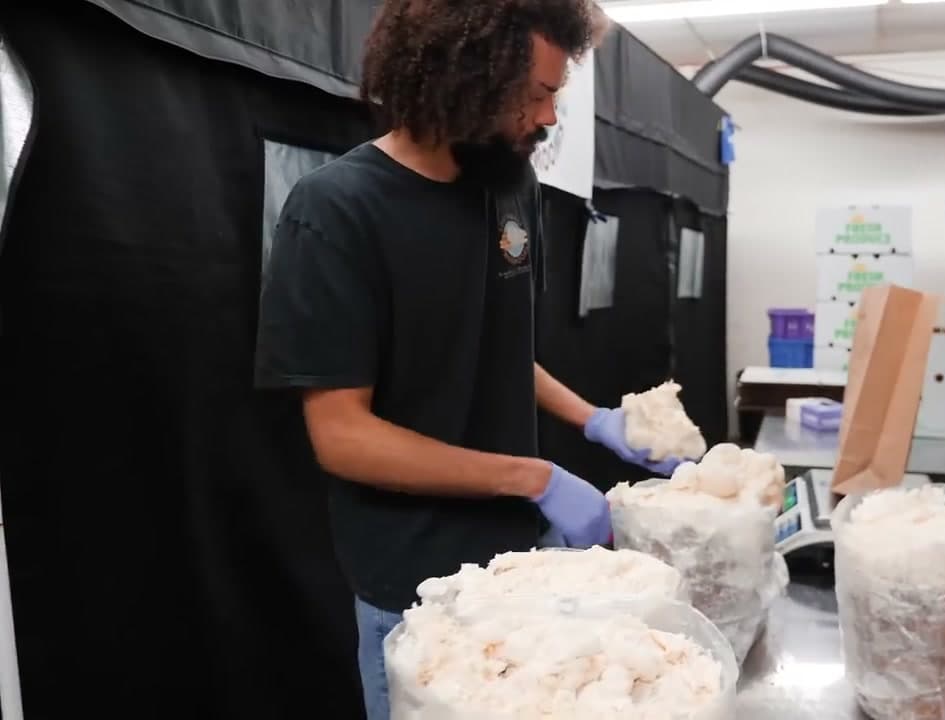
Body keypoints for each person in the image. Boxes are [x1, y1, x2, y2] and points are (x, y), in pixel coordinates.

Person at [253, 2, 690, 718]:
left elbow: (493, 345)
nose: (549, 117)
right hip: (415, 589)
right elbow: (342, 435)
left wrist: (598, 421)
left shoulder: (509, 185)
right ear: (465, 78)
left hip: (520, 567)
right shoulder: (336, 211)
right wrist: (534, 477)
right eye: (537, 95)